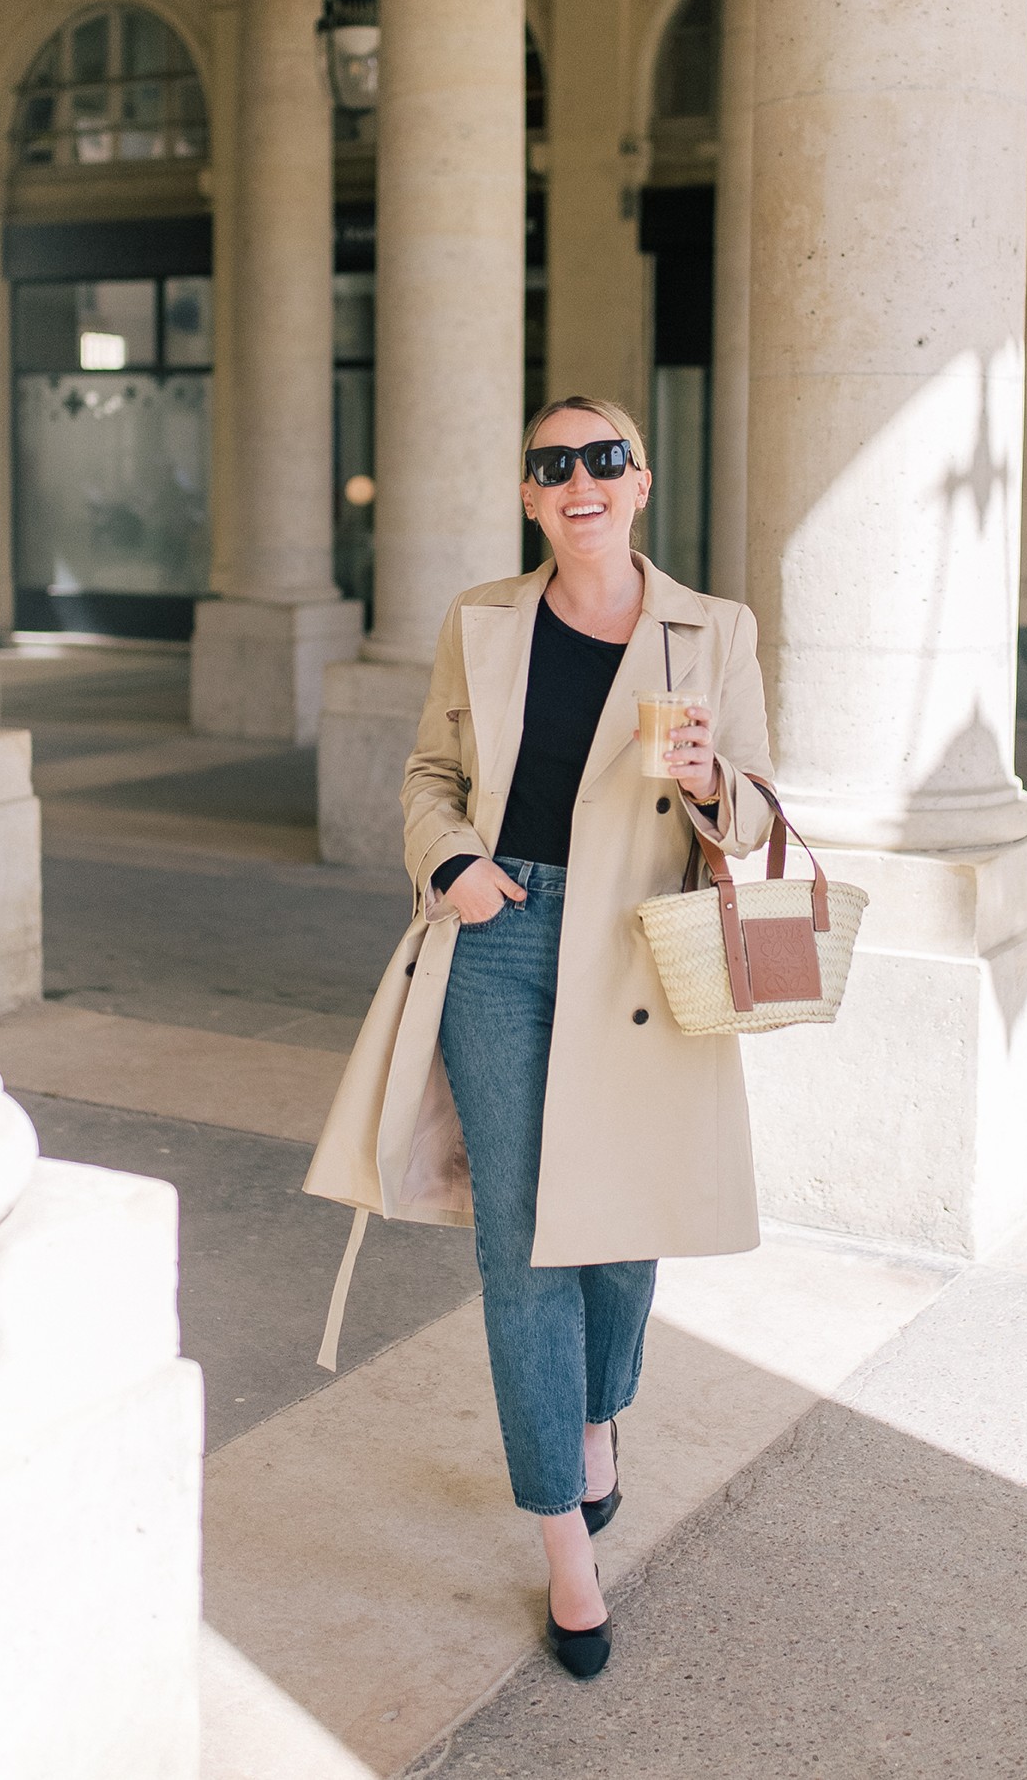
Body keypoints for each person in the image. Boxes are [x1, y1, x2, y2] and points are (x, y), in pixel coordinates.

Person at [306, 394, 776, 1680]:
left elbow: (754, 820)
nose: (579, 480)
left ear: (638, 483)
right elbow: (426, 777)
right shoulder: (481, 621)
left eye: (603, 459)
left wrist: (706, 784)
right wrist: (452, 864)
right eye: (551, 464)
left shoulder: (712, 631)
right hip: (502, 934)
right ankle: (564, 1539)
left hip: (638, 948)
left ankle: (596, 1413)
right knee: (519, 1242)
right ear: (529, 496)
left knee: (621, 1227)